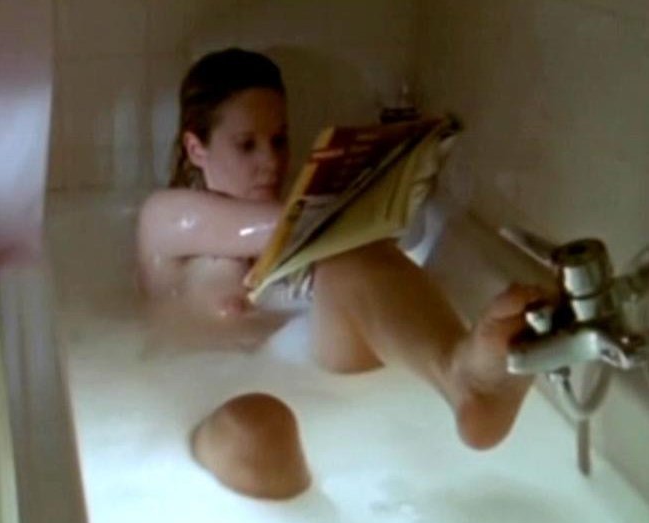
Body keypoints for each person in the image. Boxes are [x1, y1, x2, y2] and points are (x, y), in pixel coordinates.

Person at [137, 47, 543, 483]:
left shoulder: (303, 225)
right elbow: (281, 228)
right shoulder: (165, 217)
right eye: (246, 145)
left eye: (279, 140)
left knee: (347, 251)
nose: (271, 162)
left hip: (317, 380)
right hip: (207, 392)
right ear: (196, 148)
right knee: (255, 432)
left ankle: (462, 376)